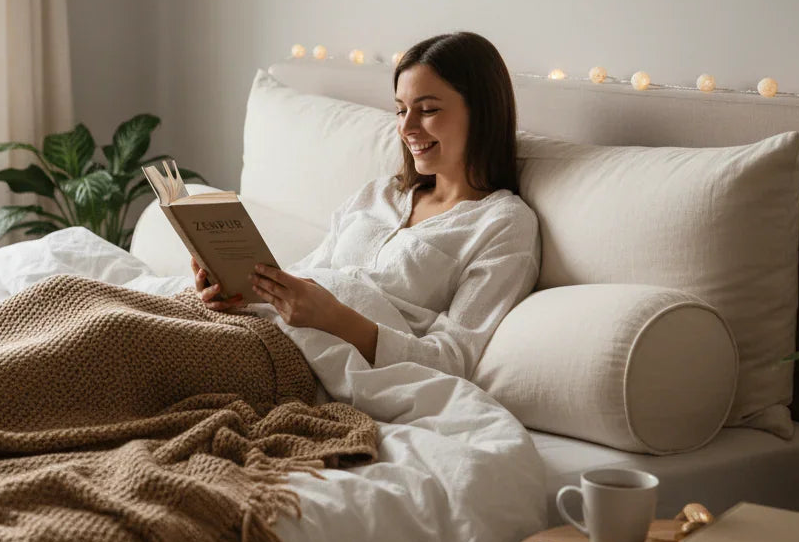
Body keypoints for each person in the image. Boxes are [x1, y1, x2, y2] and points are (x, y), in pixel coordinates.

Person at [191, 31, 540, 380]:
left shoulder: (503, 224)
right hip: (261, 327)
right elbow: (308, 271)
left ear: (482, 113)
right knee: (146, 313)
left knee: (140, 346)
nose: (406, 127)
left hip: (301, 360)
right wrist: (242, 293)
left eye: (428, 110)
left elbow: (451, 359)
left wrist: (333, 317)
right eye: (401, 110)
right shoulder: (381, 193)